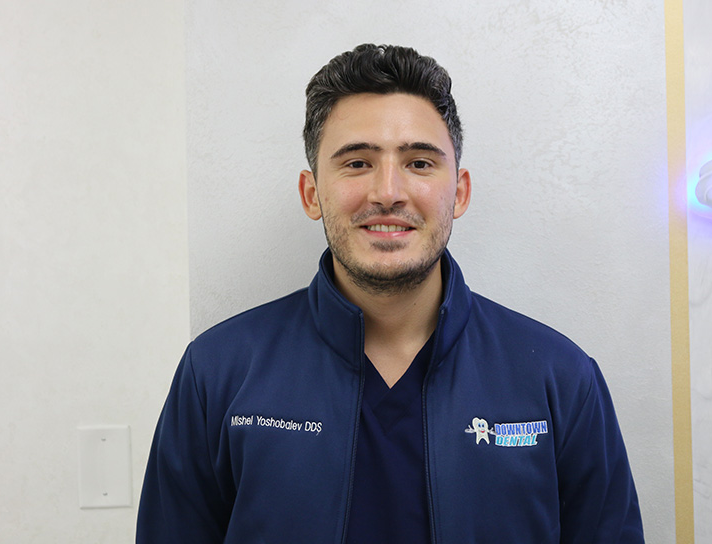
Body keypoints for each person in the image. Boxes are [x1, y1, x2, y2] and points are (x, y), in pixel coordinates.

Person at [137, 43, 644, 543]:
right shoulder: (218, 372)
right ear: (313, 193)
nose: (388, 192)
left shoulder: (560, 378)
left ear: (459, 192)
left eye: (419, 163)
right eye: (357, 163)